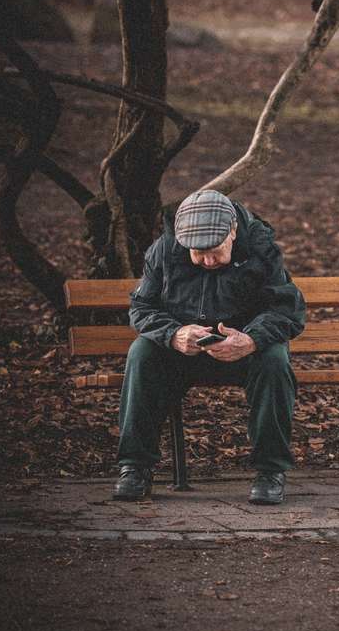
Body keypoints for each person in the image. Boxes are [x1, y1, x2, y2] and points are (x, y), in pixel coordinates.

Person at [112, 190, 305, 505]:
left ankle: (270, 471)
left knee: (274, 359)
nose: (208, 260)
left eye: (214, 251)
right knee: (141, 353)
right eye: (198, 253)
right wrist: (173, 334)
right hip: (181, 353)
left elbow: (287, 311)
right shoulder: (163, 251)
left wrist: (251, 339)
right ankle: (135, 466)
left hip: (242, 352)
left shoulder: (261, 250)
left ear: (232, 231)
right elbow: (141, 309)